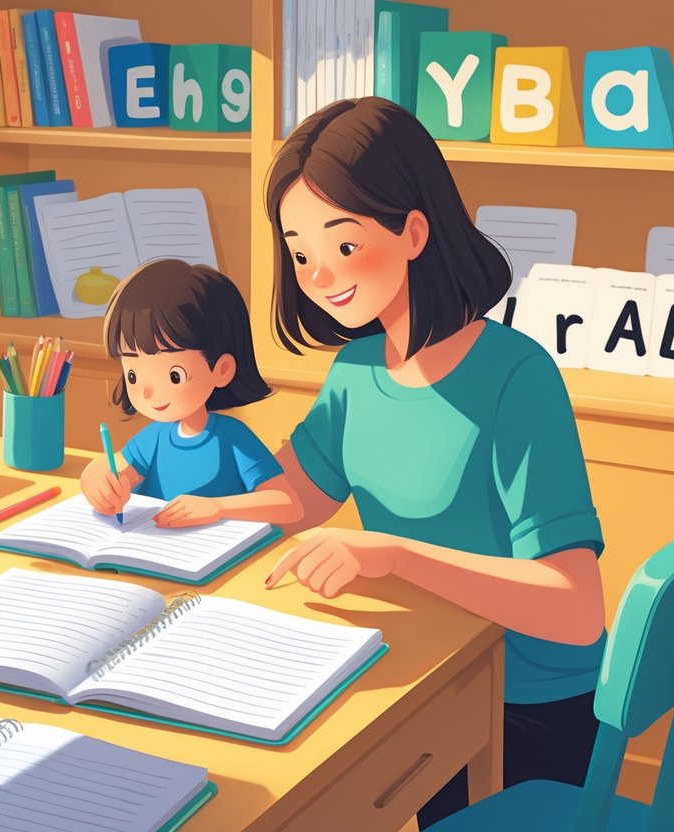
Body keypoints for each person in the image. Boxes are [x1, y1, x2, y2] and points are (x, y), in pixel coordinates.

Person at [259, 98, 606, 827]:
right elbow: (295, 498)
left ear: (413, 231)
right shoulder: (356, 371)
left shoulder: (516, 377)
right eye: (300, 254)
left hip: (525, 707)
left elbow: (575, 609)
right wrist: (158, 476)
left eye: (342, 244)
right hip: (423, 677)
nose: (319, 275)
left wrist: (393, 555)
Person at [80, 259, 300, 528]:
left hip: (214, 549)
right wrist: (97, 479)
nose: (147, 391)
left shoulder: (232, 437)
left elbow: (288, 505)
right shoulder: (155, 437)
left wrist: (218, 507)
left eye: (174, 375)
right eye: (133, 375)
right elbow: (119, 469)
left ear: (222, 369)